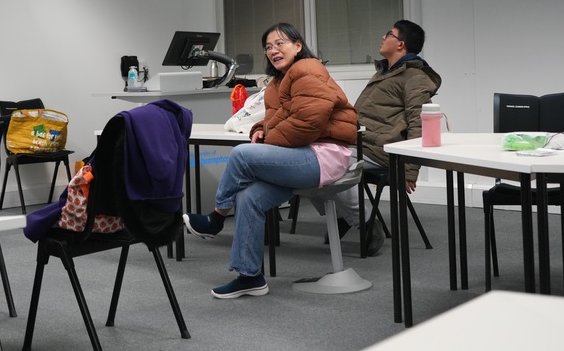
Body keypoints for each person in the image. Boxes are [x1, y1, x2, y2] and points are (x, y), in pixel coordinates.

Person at [182, 22, 358, 299]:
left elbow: (308, 121)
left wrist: (268, 140)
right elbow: (276, 118)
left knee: (242, 154)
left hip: (324, 156)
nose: (273, 50)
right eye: (268, 47)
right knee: (248, 197)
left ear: (298, 46)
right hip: (300, 156)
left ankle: (216, 219)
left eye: (280, 43)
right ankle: (250, 276)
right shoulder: (277, 83)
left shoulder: (308, 69)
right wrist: (259, 128)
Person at [318, 19, 442, 256]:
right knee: (308, 156)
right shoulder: (385, 72)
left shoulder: (414, 78)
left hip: (382, 150)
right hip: (361, 143)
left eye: (389, 34)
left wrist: (409, 170)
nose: (383, 37)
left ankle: (364, 222)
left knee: (324, 164)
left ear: (401, 44)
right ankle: (347, 213)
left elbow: (419, 124)